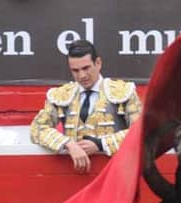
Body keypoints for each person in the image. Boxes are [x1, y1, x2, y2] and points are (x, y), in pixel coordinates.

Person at [30, 39, 141, 173]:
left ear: (98, 63)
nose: (82, 75)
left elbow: (140, 131)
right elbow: (37, 129)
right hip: (74, 174)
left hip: (115, 173)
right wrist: (68, 144)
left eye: (86, 68)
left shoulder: (123, 91)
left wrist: (101, 144)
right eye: (75, 70)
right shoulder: (62, 95)